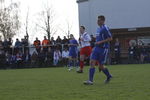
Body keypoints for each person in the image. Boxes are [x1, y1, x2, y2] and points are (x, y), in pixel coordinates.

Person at [84, 15, 113, 85]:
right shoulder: (98, 28)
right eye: (97, 20)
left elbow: (110, 38)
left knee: (101, 66)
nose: (97, 21)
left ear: (103, 21)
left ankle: (108, 76)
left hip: (103, 49)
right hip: (96, 48)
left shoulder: (105, 28)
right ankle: (90, 81)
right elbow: (98, 38)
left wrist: (100, 42)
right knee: (92, 62)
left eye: (99, 20)